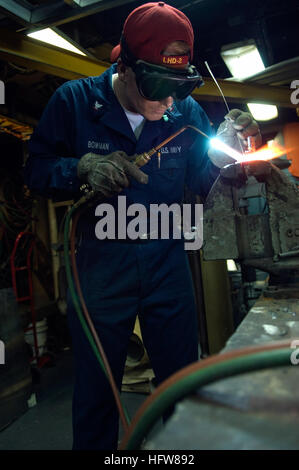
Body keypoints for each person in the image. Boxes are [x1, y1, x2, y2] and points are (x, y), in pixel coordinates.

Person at [24, 2, 261, 450]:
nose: (170, 102)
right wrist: (80, 168)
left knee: (179, 388)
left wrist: (220, 159)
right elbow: (36, 170)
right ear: (127, 67)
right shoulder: (74, 103)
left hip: (167, 266)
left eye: (179, 89)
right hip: (100, 269)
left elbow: (200, 183)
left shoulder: (185, 111)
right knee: (97, 396)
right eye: (159, 88)